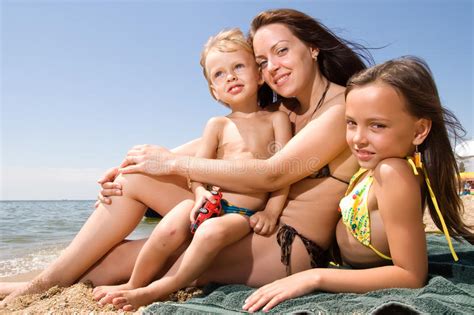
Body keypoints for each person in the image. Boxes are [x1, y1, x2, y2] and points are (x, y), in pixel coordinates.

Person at [1, 8, 369, 308]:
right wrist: (131, 165)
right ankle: (29, 285)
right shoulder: (287, 110)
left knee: (120, 260)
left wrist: (172, 164)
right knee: (131, 192)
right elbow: (203, 146)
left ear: (313, 48)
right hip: (246, 224)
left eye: (282, 51)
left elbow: (274, 173)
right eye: (262, 59)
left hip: (285, 244)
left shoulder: (343, 108)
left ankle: (35, 287)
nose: (272, 66)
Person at [241, 57, 474, 311]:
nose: (358, 139)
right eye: (351, 123)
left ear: (419, 131)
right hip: (333, 257)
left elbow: (411, 275)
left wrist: (313, 277)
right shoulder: (377, 162)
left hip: (337, 267)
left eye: (377, 125)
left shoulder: (393, 171)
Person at [92, 28, 292, 311]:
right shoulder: (217, 125)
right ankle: (134, 282)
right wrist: (198, 195)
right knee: (168, 230)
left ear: (259, 75)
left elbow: (284, 171)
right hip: (212, 202)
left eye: (238, 67)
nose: (231, 77)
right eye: (219, 74)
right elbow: (197, 170)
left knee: (210, 233)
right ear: (214, 90)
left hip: (242, 213)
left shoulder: (276, 119)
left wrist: (272, 210)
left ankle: (165, 287)